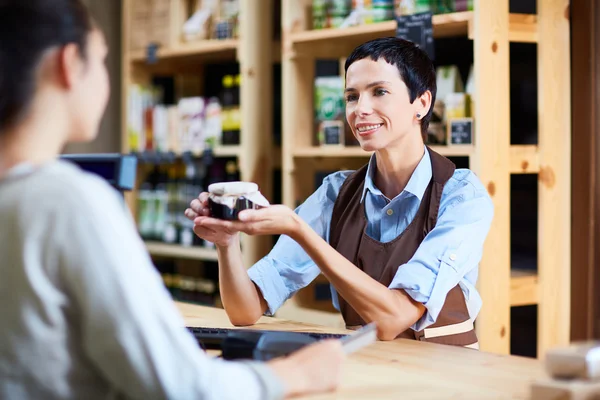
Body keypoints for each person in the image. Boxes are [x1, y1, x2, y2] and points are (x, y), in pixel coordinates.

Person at [0, 1, 345, 399]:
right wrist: (294, 375)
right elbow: (180, 387)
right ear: (69, 63)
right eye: (102, 60)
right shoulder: (68, 203)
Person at [186, 37, 494, 347]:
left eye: (380, 92)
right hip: (371, 369)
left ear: (422, 103)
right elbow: (245, 311)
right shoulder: (336, 193)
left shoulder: (461, 195)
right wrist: (226, 244)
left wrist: (299, 230)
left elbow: (393, 318)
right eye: (351, 96)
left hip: (450, 378)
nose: (360, 109)